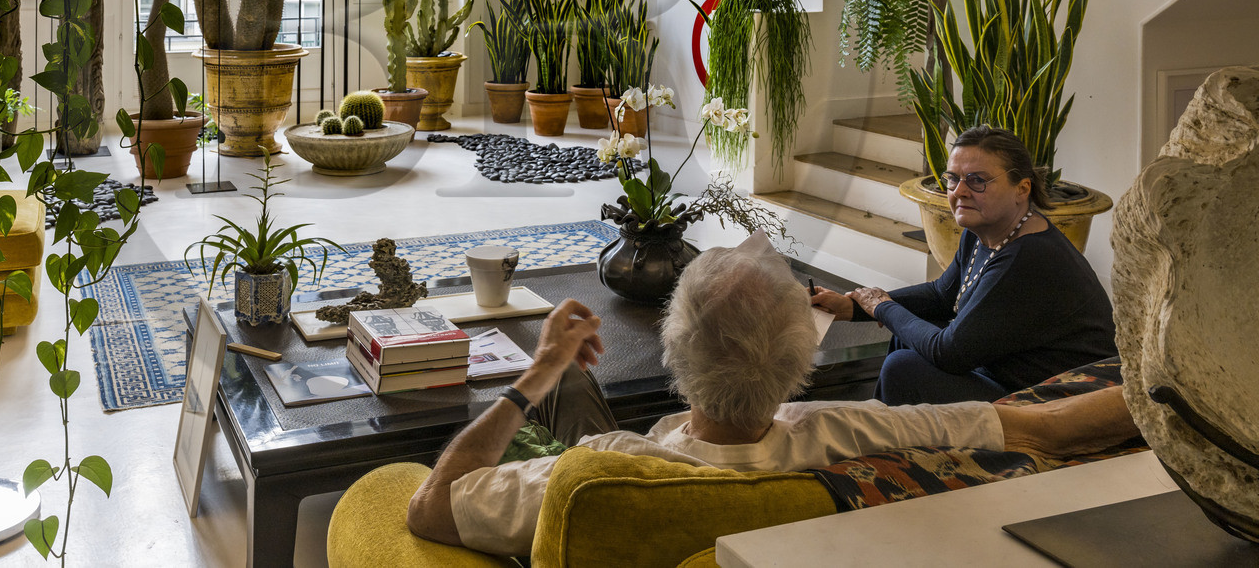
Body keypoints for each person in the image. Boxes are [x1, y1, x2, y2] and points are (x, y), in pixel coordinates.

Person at [406, 233, 1138, 558]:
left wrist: (533, 374)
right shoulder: (849, 434)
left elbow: (430, 505)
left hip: (620, 488)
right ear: (798, 362)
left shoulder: (592, 468)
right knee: (575, 381)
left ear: (672, 347)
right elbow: (1051, 426)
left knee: (562, 380)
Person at [812, 125, 1117, 406]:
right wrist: (852, 308)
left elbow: (950, 353)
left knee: (903, 368)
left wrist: (881, 307)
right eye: (953, 179)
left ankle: (884, 444)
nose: (959, 191)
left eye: (977, 180)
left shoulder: (1030, 256)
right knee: (906, 338)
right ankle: (884, 435)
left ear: (1022, 189)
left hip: (1052, 399)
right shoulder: (983, 232)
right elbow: (941, 296)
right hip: (1005, 373)